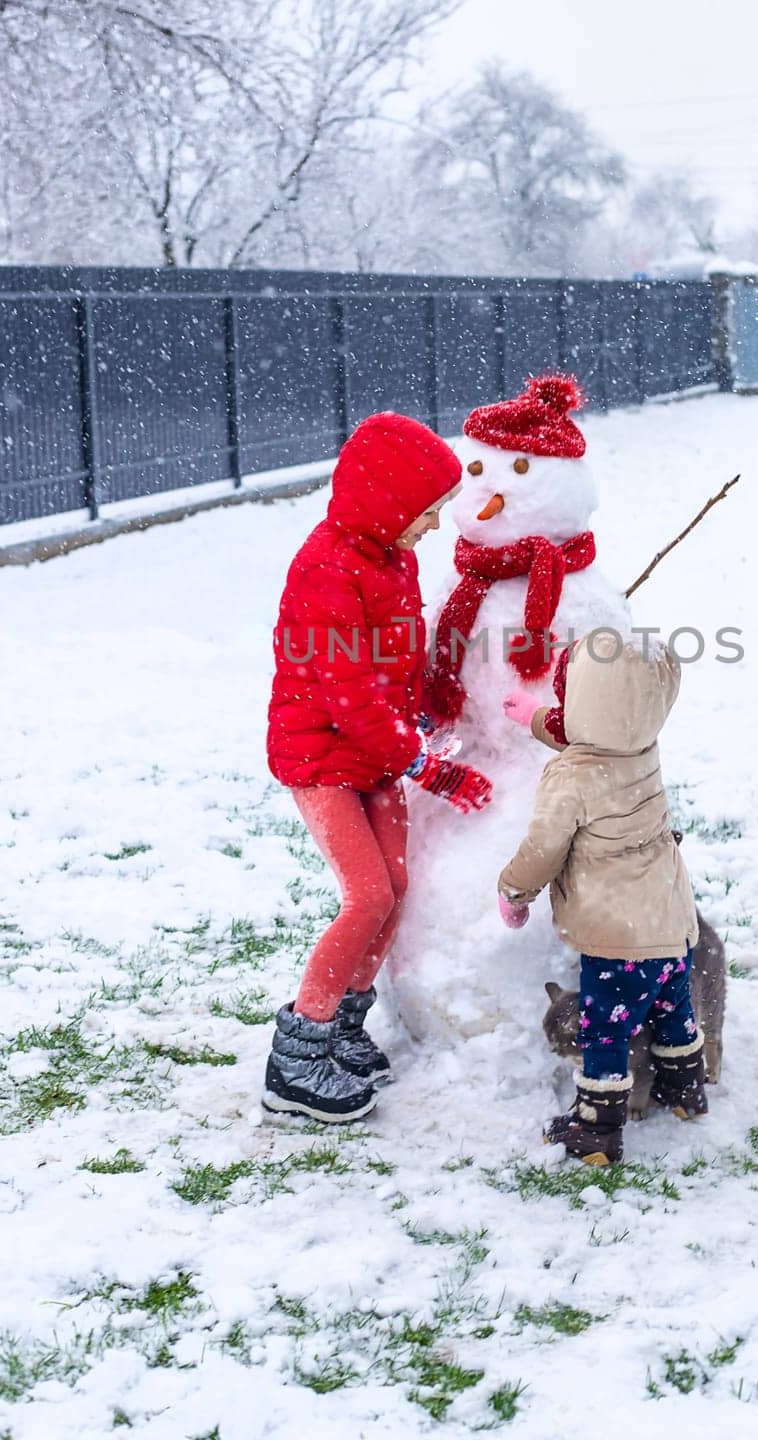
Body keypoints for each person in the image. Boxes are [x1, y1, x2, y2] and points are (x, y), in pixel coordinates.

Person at [263, 411, 493, 1124]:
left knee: (395, 885)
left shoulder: (391, 557)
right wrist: (428, 767)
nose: (430, 528)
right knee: (366, 894)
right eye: (423, 514)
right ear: (388, 504)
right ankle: (296, 1057)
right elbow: (351, 697)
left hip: (378, 752)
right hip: (322, 758)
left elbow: (394, 664)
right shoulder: (326, 570)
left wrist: (428, 702)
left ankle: (343, 1028)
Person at [498, 629, 703, 1166]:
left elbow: (543, 847)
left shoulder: (571, 778)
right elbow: (599, 730)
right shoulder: (641, 745)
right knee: (671, 1004)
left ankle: (597, 1129)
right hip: (668, 915)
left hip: (617, 937)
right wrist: (536, 719)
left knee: (604, 1029)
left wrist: (514, 891)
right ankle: (685, 1089)